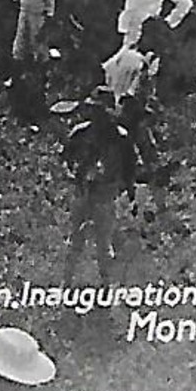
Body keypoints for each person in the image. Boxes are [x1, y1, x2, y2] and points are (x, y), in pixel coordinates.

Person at [61, 88, 135, 284]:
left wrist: (128, 191)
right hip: (83, 190)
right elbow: (65, 158)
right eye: (94, 110)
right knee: (75, 240)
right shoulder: (80, 133)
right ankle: (66, 284)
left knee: (103, 242)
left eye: (101, 110)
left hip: (106, 192)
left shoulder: (120, 137)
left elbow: (129, 167)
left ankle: (105, 286)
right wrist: (74, 177)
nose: (97, 115)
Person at [10, 0, 56, 123]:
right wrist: (16, 4)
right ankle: (17, 78)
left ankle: (40, 82)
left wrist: (45, 28)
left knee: (40, 51)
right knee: (20, 46)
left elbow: (50, 10)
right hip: (24, 16)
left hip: (39, 19)